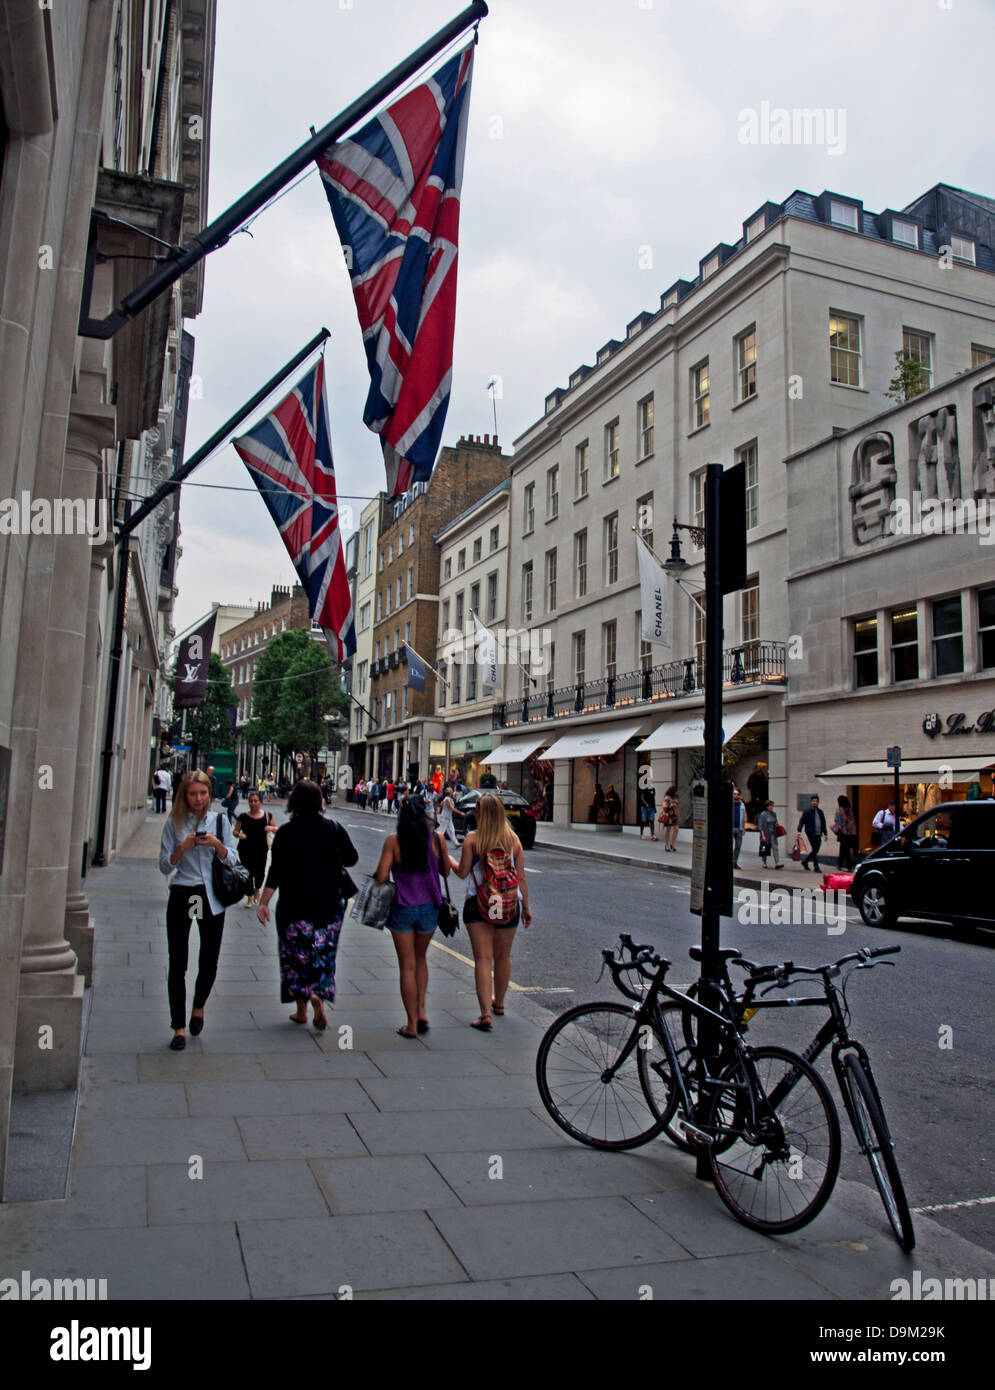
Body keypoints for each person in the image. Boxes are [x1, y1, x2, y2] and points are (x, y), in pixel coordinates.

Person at [257, 780, 358, 1029]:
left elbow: (275, 872)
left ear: (293, 802)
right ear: (319, 802)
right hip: (329, 906)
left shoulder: (285, 833)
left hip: (294, 906)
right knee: (321, 952)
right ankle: (318, 993)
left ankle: (301, 1010)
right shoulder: (333, 828)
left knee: (295, 955)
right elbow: (352, 858)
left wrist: (263, 903)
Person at [158, 770, 239, 1051]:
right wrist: (183, 847)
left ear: (209, 794)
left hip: (210, 896)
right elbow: (165, 866)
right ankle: (178, 1027)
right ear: (184, 795)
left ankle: (199, 1005)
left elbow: (233, 858)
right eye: (193, 793)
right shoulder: (173, 822)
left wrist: (217, 845)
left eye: (202, 793)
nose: (198, 798)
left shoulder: (219, 820)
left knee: (209, 959)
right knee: (178, 960)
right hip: (183, 891)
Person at [452, 793, 532, 1032]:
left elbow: (463, 872)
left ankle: (485, 1013)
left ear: (481, 815)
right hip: (507, 903)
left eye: (477, 811)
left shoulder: (473, 839)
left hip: (479, 903)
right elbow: (522, 877)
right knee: (503, 956)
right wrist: (526, 907)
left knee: (483, 959)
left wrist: (448, 860)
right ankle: (500, 1004)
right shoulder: (513, 840)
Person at [373, 797, 451, 1038]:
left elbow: (381, 877)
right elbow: (446, 871)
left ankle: (411, 1025)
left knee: (406, 966)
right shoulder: (436, 839)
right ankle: (422, 1010)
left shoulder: (393, 841)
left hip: (403, 909)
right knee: (421, 958)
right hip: (430, 907)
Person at [234, 791, 275, 907]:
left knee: (260, 873)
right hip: (245, 848)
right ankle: (250, 897)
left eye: (255, 801)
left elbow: (276, 828)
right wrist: (238, 835)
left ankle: (257, 889)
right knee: (247, 873)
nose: (253, 803)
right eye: (251, 801)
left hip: (261, 849)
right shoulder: (243, 816)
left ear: (260, 802)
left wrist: (271, 827)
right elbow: (235, 831)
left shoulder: (267, 815)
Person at [797, 795, 828, 872]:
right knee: (814, 848)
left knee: (816, 849)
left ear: (818, 802)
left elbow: (823, 823)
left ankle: (805, 861)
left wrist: (825, 833)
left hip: (818, 833)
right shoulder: (807, 811)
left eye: (816, 801)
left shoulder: (820, 812)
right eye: (813, 801)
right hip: (810, 832)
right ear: (811, 802)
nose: (815, 803)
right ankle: (816, 867)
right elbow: (802, 821)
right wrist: (799, 830)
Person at [832, 795, 858, 870]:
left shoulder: (839, 811)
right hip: (851, 832)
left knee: (846, 850)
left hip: (843, 832)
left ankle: (849, 867)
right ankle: (839, 864)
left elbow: (838, 822)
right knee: (843, 848)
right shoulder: (850, 810)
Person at [758, 799, 782, 869]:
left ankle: (777, 863)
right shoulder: (763, 814)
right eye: (770, 806)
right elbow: (761, 826)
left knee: (775, 847)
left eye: (772, 806)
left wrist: (776, 824)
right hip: (766, 833)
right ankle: (764, 862)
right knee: (764, 848)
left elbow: (775, 821)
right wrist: (763, 835)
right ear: (767, 806)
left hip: (773, 833)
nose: (772, 807)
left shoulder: (774, 814)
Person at [658, 785, 680, 852]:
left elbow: (676, 808)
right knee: (668, 830)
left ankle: (672, 844)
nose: (677, 792)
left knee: (676, 829)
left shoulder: (675, 798)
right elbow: (664, 806)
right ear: (673, 791)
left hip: (674, 815)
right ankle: (667, 845)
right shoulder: (667, 798)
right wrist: (671, 805)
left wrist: (679, 817)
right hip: (668, 815)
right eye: (676, 791)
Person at [437, 784, 459, 851]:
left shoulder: (448, 799)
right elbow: (451, 808)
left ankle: (456, 843)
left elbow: (441, 805)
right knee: (441, 831)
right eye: (452, 791)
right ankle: (436, 842)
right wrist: (460, 813)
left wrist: (440, 812)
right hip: (445, 817)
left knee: (451, 830)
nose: (453, 792)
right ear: (449, 793)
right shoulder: (447, 799)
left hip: (448, 817)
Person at [732, 787, 746, 868]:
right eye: (734, 794)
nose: (736, 795)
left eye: (737, 794)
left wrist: (744, 827)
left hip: (739, 828)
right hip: (731, 827)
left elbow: (743, 816)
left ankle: (734, 861)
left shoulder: (742, 805)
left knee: (738, 846)